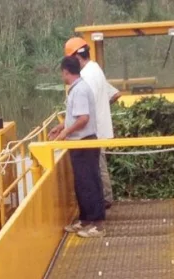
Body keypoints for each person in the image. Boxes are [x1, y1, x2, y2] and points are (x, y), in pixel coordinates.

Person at [49, 56, 104, 238]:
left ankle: (97, 224)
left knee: (89, 182)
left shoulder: (79, 90)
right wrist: (61, 126)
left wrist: (66, 133)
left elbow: (83, 119)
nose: (61, 76)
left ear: (66, 71)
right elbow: (75, 116)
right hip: (79, 142)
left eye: (62, 73)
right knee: (81, 183)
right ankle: (85, 220)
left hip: (84, 142)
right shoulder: (77, 88)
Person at [65, 37, 121, 209]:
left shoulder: (86, 76)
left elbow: (83, 115)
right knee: (99, 165)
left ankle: (103, 201)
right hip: (98, 127)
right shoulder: (95, 69)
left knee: (95, 169)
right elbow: (115, 94)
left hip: (91, 132)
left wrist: (64, 131)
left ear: (76, 57)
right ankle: (104, 199)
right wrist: (101, 107)